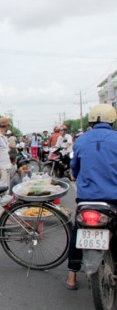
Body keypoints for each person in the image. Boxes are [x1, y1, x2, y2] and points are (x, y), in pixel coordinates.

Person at [65, 104, 117, 290]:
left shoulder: (80, 141)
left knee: (77, 232)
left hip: (86, 200)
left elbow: (74, 170)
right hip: (113, 200)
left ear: (92, 120)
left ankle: (71, 276)